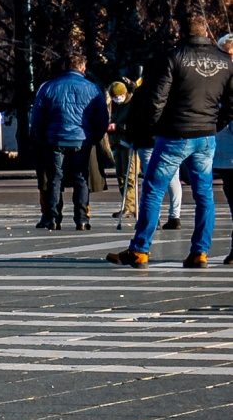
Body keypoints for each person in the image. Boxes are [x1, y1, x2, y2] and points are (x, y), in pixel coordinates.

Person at [112, 17, 229, 269]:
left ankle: (140, 249)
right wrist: (215, 124)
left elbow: (157, 99)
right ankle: (200, 251)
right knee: (204, 194)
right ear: (206, 32)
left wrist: (155, 127)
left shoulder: (174, 57)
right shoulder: (224, 61)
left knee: (153, 190)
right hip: (206, 134)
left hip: (175, 133)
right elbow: (230, 103)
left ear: (181, 32)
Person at [27, 54, 104, 232]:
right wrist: (94, 137)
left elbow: (37, 117)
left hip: (55, 138)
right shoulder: (92, 88)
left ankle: (53, 219)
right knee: (81, 179)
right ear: (82, 68)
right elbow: (101, 118)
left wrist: (41, 137)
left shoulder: (48, 87)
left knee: (55, 179)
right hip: (81, 138)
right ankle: (82, 219)